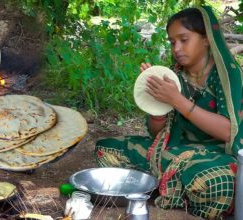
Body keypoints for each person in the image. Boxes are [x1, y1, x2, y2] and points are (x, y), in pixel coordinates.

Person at [95, 6, 242, 219]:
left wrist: (177, 100)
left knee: (214, 183)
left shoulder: (228, 76)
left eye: (184, 39)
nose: (177, 48)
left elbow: (229, 132)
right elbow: (157, 134)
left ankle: (163, 186)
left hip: (216, 157)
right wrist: (157, 105)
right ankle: (172, 187)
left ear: (206, 39)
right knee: (106, 150)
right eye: (173, 42)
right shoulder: (173, 76)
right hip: (173, 151)